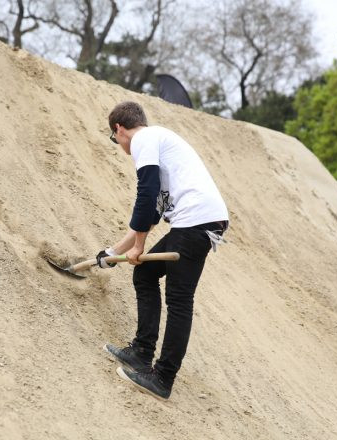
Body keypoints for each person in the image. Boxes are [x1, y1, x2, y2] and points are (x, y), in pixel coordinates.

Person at [97, 101, 229, 400]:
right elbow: (153, 211)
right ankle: (141, 353)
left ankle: (162, 378)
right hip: (197, 220)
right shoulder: (158, 141)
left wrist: (140, 246)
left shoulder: (144, 139)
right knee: (145, 274)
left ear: (118, 129)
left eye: (114, 138)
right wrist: (112, 252)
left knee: (179, 300)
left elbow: (145, 194)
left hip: (197, 220)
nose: (117, 144)